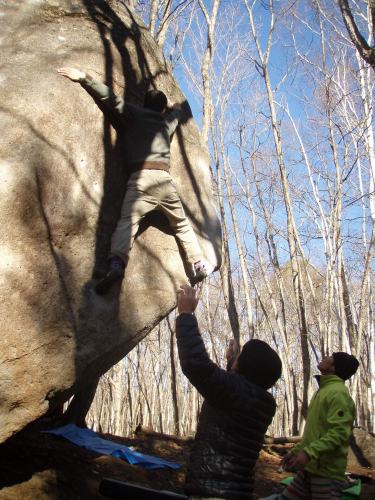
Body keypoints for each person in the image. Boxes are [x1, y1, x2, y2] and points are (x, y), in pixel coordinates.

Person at [57, 67, 210, 294]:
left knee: (127, 223)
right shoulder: (164, 124)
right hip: (164, 180)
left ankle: (116, 263)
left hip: (141, 178)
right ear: (161, 108)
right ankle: (198, 263)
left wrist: (84, 78)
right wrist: (178, 109)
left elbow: (110, 98)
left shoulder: (135, 114)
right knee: (181, 224)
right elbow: (177, 117)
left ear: (145, 104)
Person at [176, 285, 282, 499]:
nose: (238, 355)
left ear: (247, 365)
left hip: (212, 491)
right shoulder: (262, 402)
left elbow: (197, 365)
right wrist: (232, 362)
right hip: (235, 491)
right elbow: (230, 395)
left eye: (242, 355)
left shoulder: (235, 392)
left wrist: (186, 315)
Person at [263, 352, 359, 500]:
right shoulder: (323, 391)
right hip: (310, 469)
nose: (326, 356)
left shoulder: (338, 394)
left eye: (331, 357)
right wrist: (296, 451)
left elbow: (339, 433)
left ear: (334, 368)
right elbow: (315, 433)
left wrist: (309, 453)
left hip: (326, 474)